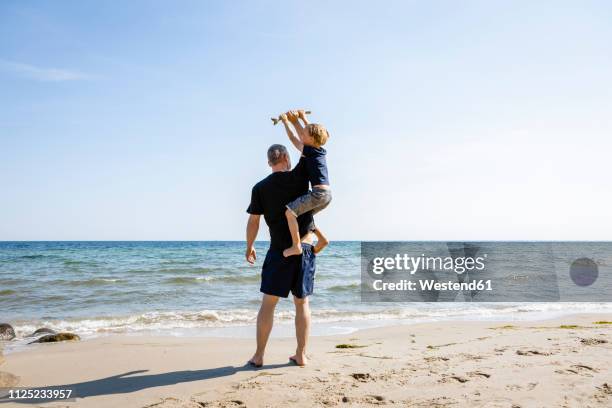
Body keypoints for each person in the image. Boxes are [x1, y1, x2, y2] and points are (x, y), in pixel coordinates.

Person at [245, 144, 324, 367]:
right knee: (302, 303)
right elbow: (309, 149)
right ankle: (301, 355)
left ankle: (259, 355)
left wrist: (249, 246)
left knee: (268, 304)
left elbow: (254, 221)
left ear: (269, 162)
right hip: (305, 249)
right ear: (287, 158)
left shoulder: (259, 187)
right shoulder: (300, 176)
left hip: (278, 251)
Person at [279, 110, 331, 258]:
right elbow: (311, 133)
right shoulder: (318, 150)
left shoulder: (309, 150)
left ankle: (296, 246)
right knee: (304, 215)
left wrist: (286, 121)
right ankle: (322, 239)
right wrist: (301, 118)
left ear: (311, 139)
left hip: (317, 194)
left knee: (289, 213)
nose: (302, 135)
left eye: (304, 134)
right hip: (326, 195)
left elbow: (293, 137)